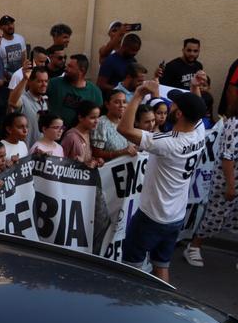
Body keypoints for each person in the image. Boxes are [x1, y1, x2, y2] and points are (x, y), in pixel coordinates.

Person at [117, 84, 207, 282]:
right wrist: (195, 88)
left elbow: (124, 129)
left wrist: (138, 94)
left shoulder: (168, 143)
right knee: (161, 264)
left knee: (130, 269)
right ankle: (164, 300)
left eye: (173, 105)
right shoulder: (199, 131)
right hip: (176, 216)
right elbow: (198, 110)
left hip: (152, 216)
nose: (169, 105)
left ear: (179, 114)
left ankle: (127, 300)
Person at [183, 112, 238, 267]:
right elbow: (227, 157)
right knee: (215, 216)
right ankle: (194, 247)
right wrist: (231, 185)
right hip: (228, 180)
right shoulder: (234, 124)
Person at [47, 54, 102, 126]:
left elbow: (97, 116)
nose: (66, 69)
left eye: (70, 66)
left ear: (82, 70)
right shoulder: (54, 83)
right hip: (53, 129)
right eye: (67, 66)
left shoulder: (94, 92)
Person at [91, 88, 139, 163]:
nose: (122, 105)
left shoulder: (124, 122)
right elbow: (96, 153)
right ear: (107, 104)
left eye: (124, 102)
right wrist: (122, 152)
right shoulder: (101, 123)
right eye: (117, 102)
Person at [61, 100, 100, 166]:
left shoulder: (89, 133)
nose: (96, 121)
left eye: (98, 117)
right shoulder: (71, 137)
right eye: (92, 118)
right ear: (80, 118)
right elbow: (60, 161)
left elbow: (87, 158)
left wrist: (95, 161)